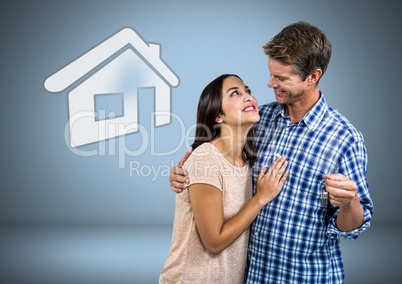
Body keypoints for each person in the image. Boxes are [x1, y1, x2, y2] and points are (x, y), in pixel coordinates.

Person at [169, 22, 374, 283]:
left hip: (305, 277)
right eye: (270, 73)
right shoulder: (258, 120)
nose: (270, 83)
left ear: (313, 77)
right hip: (252, 276)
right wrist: (184, 179)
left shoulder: (344, 138)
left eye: (281, 78)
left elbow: (353, 227)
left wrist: (349, 203)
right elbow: (219, 164)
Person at [159, 74, 289, 283]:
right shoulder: (206, 160)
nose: (248, 97)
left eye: (248, 91)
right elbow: (214, 242)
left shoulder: (247, 161)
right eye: (235, 93)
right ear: (218, 116)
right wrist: (261, 198)